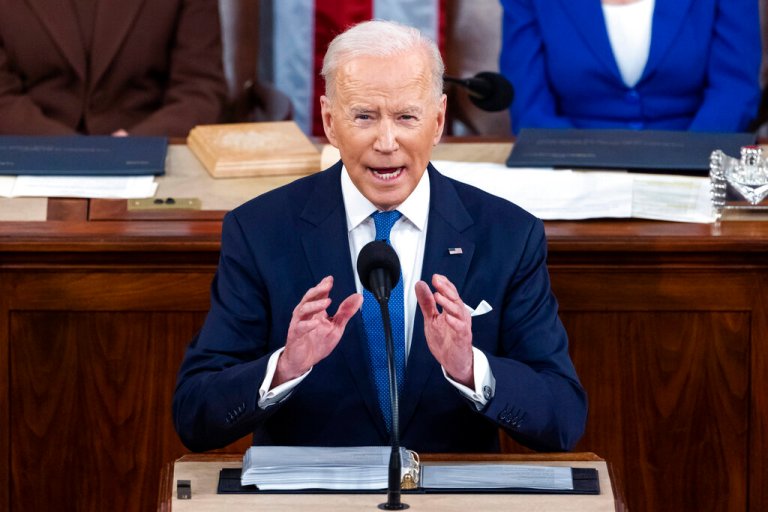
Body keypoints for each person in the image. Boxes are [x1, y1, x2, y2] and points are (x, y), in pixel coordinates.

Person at [172, 20, 587, 454]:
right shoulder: (260, 230)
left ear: (439, 120)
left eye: (407, 117)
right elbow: (194, 415)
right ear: (330, 122)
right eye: (364, 117)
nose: (386, 142)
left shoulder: (508, 234)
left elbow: (562, 418)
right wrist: (284, 367)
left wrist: (470, 370)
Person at [499, 0, 762, 135]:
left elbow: (734, 88)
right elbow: (527, 100)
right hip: (571, 171)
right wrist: (579, 164)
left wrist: (688, 160)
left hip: (695, 164)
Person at [0, 0, 226, 136]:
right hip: (29, 149)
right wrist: (65, 149)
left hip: (150, 154)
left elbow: (199, 88)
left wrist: (133, 145)